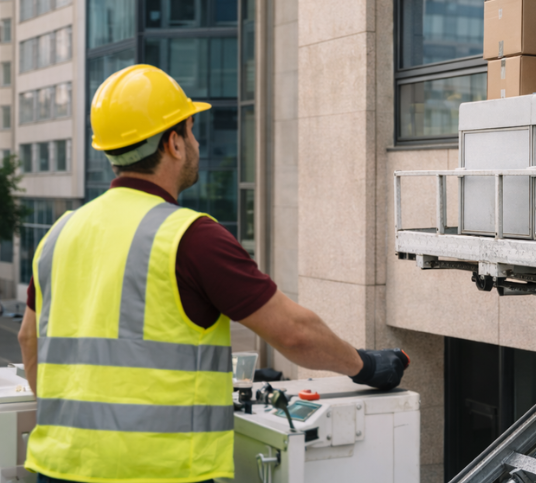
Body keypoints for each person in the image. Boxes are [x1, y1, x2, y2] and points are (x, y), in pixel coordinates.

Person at [17, 65, 410, 482]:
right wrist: (366, 366)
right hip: (159, 473)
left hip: (57, 467)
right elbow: (294, 332)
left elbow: (28, 338)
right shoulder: (190, 237)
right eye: (191, 130)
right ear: (174, 143)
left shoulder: (60, 233)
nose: (196, 142)